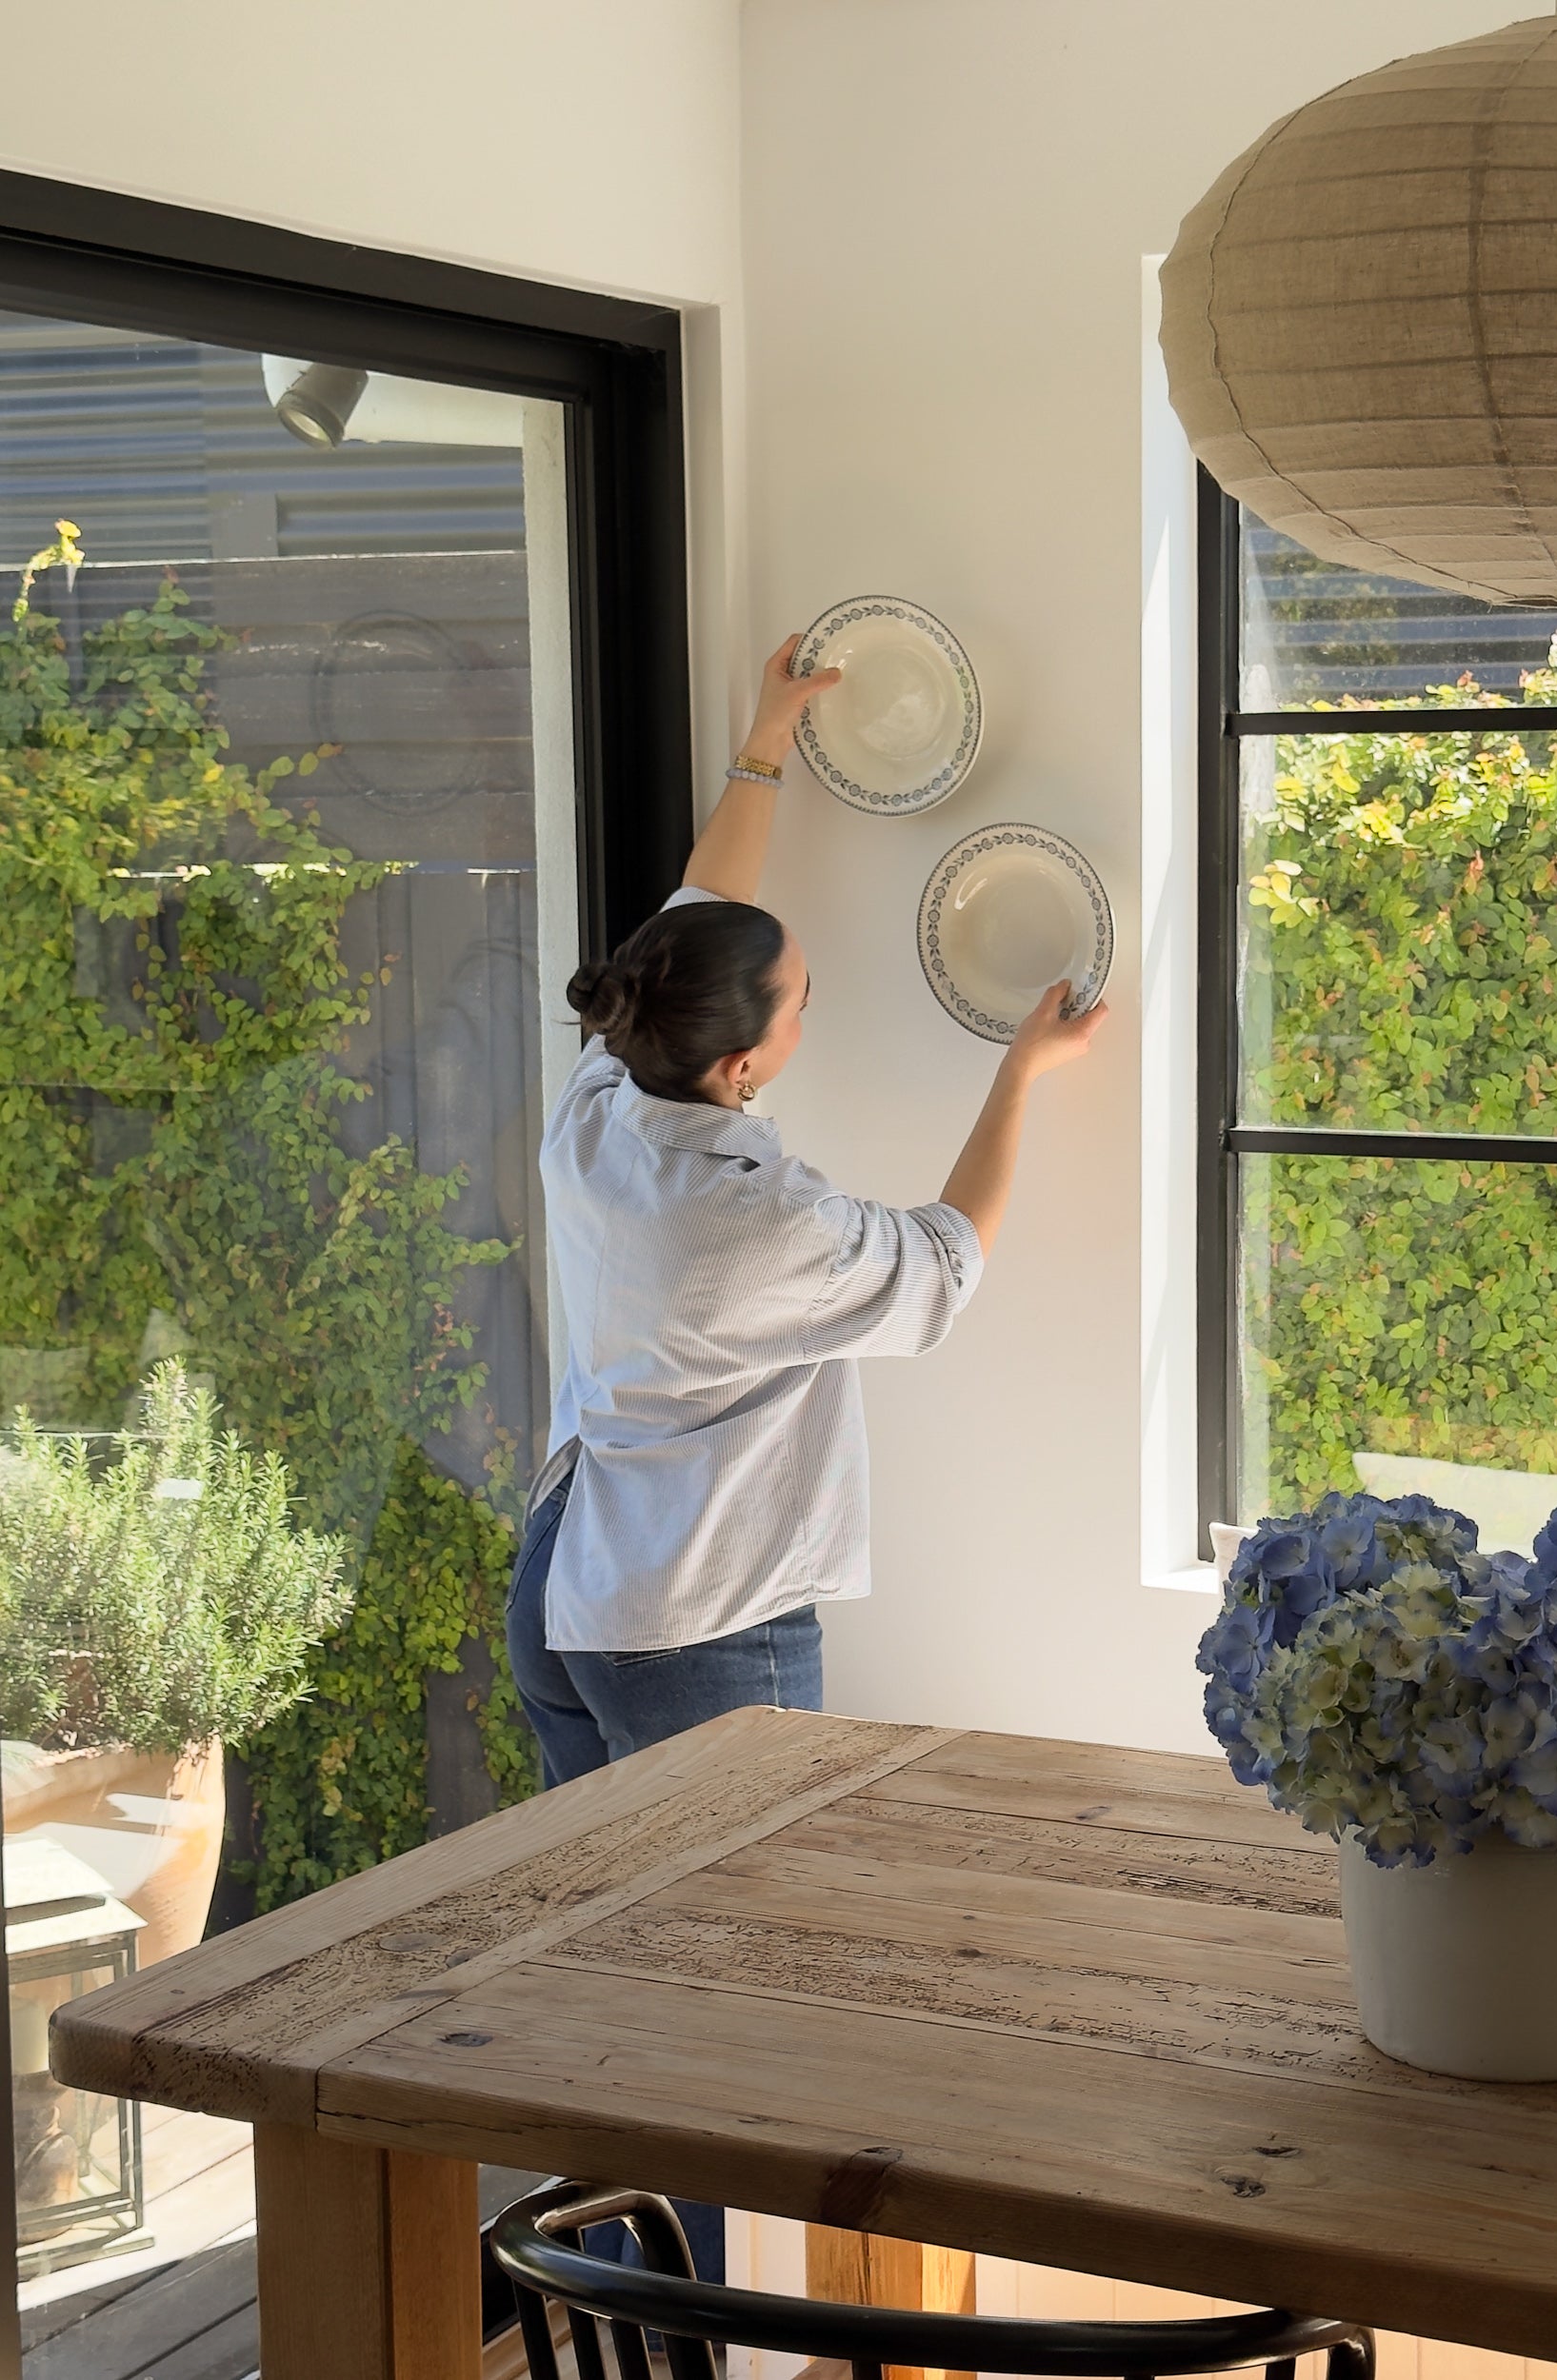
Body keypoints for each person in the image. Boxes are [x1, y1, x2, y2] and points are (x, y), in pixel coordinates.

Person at [505, 634, 1105, 2275]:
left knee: (615, 1986)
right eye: (802, 1001)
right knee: (709, 2010)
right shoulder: (751, 1221)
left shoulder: (605, 1107)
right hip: (697, 1622)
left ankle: (615, 2320)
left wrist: (766, 745)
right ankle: (673, 2335)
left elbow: (698, 927)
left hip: (568, 1585)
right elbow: (945, 1260)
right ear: (749, 1059)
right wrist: (1019, 1073)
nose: (807, 1002)